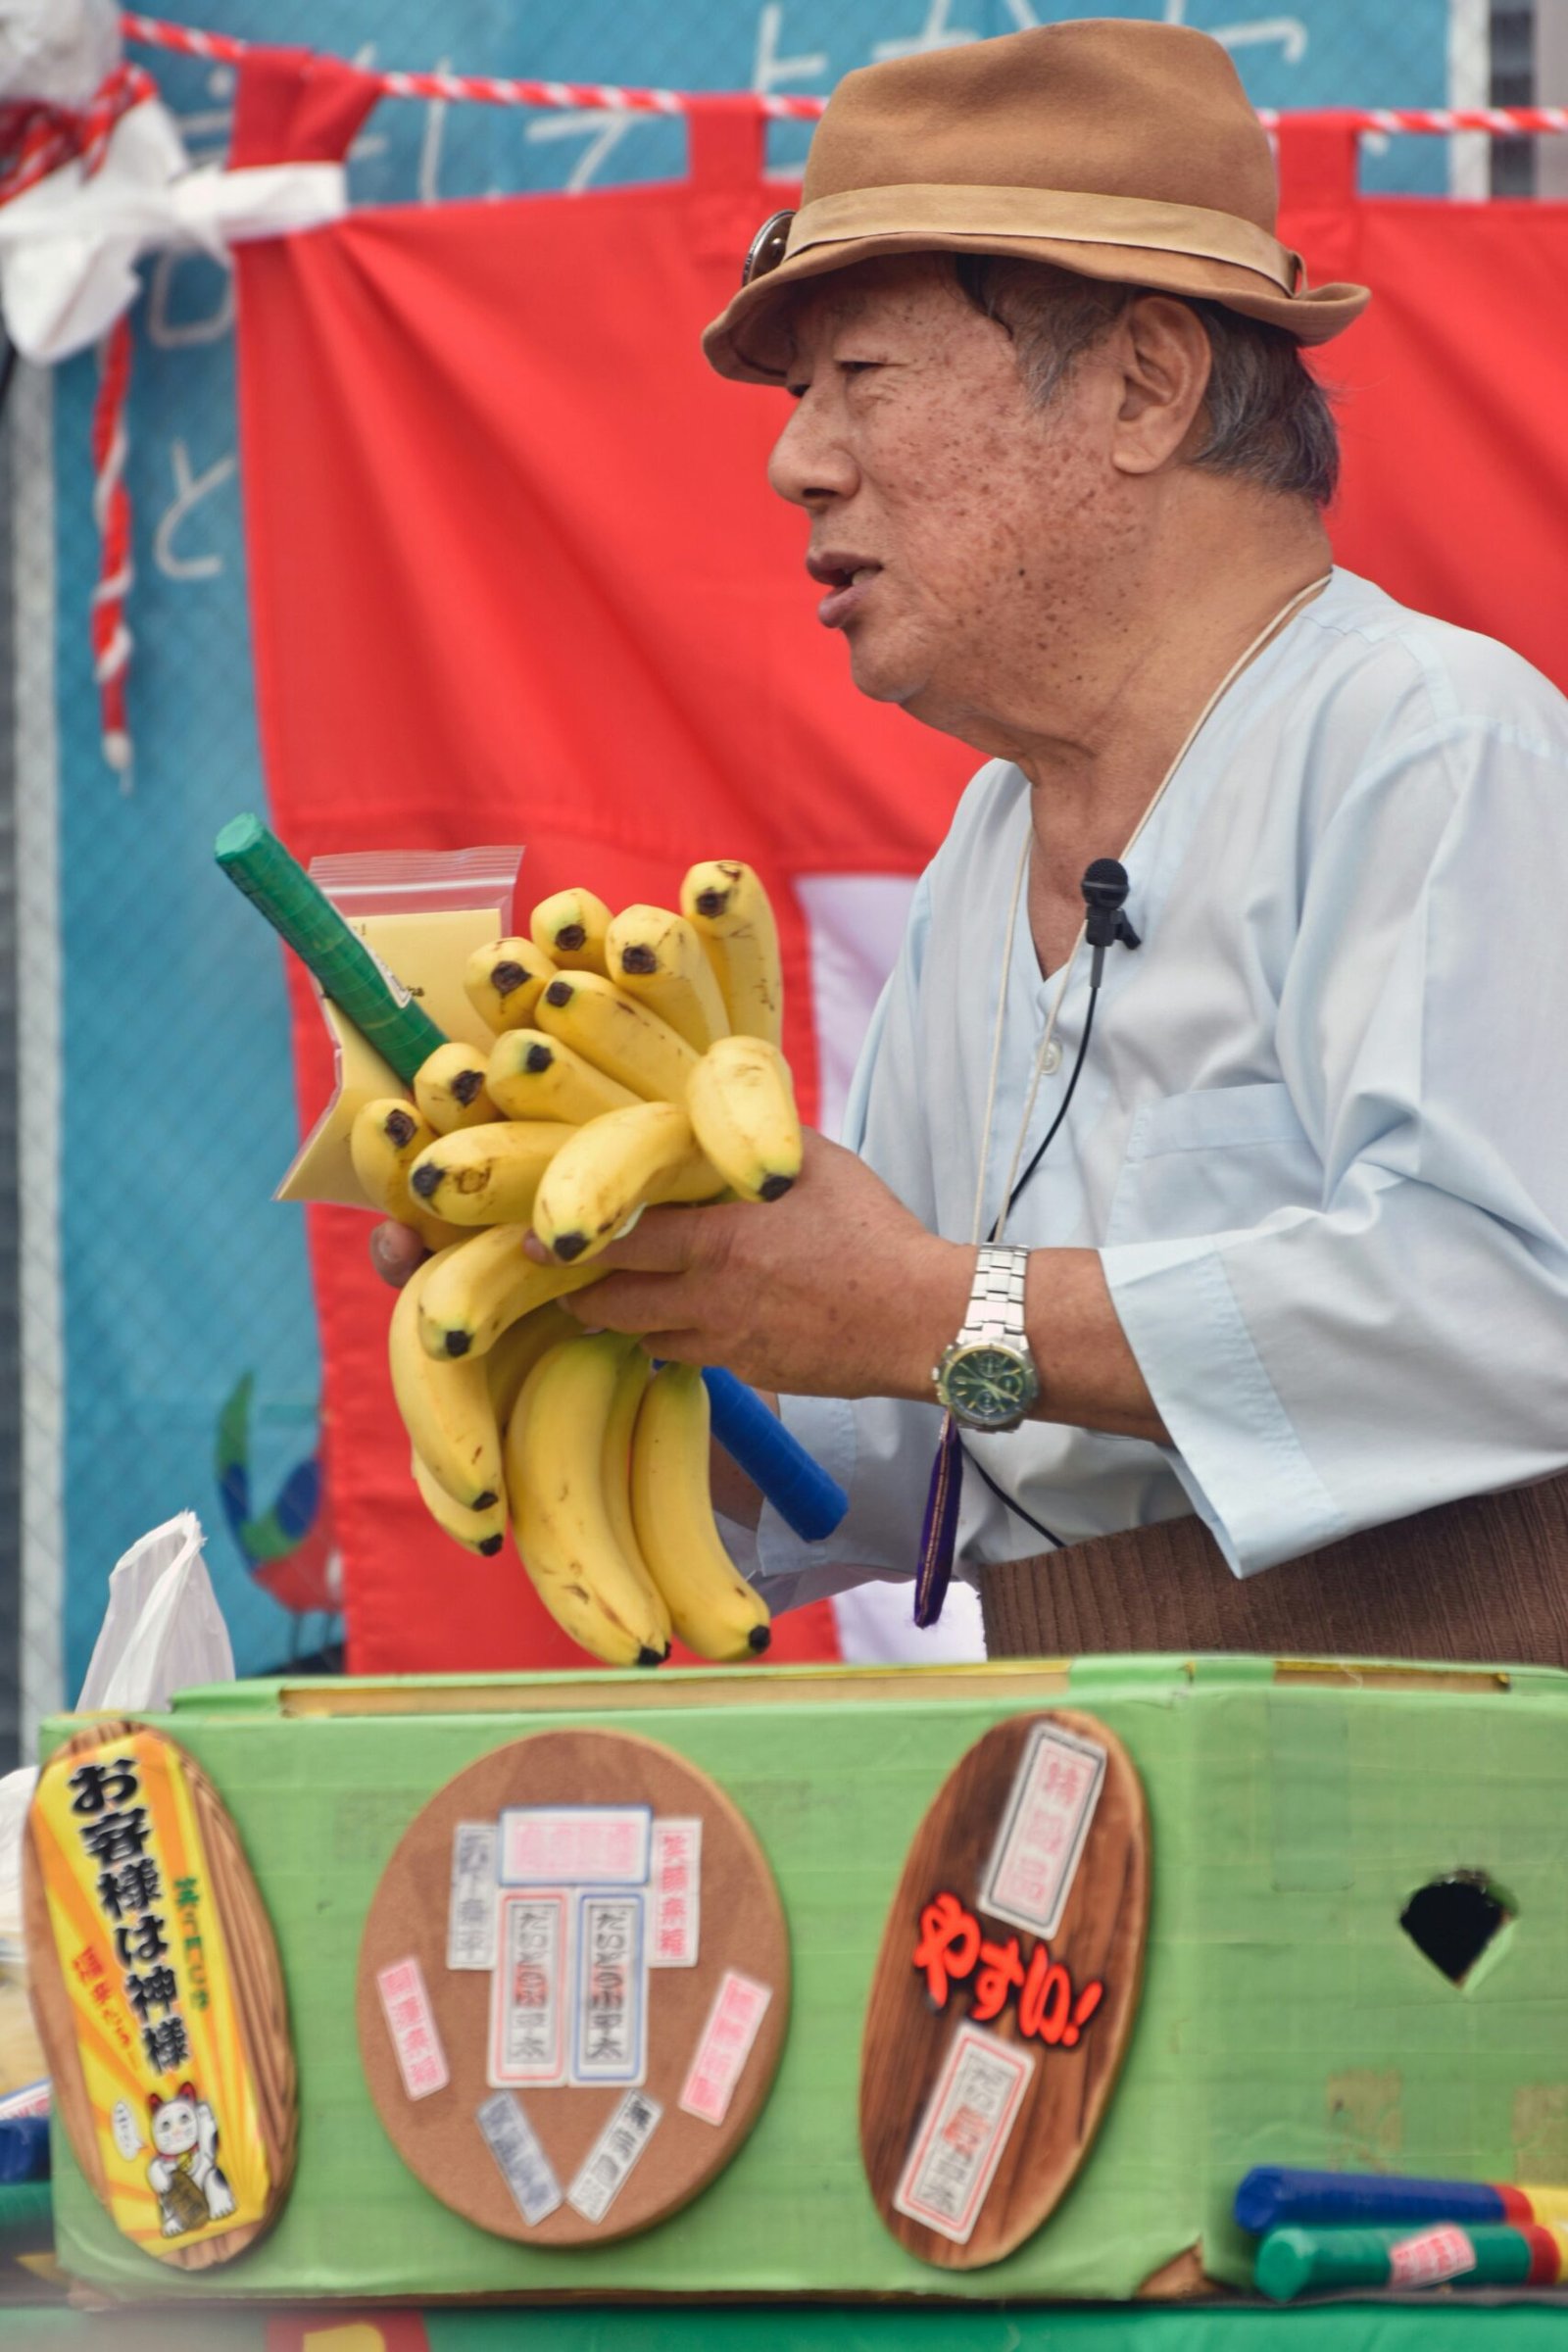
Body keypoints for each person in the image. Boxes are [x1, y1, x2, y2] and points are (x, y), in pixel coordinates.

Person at [379, 20, 1568, 1664]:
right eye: (804, 397)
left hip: (1438, 1778)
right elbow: (907, 1431)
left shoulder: (1426, 744)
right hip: (1081, 1763)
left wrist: (939, 1306)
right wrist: (644, 1307)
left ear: (1147, 382)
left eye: (861, 379)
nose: (798, 462)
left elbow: (1507, 1315)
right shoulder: (987, 848)